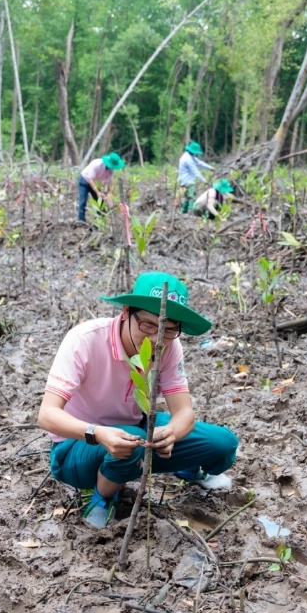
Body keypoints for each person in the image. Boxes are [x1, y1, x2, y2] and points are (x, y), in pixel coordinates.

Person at [38, 271, 240, 529]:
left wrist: (171, 434)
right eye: (148, 325)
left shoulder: (169, 346)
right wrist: (98, 433)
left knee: (223, 443)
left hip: (135, 428)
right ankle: (101, 498)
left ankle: (187, 467)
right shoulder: (84, 340)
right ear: (125, 312)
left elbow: (184, 413)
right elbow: (47, 415)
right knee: (131, 441)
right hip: (77, 446)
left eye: (168, 329)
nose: (156, 339)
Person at [78, 152, 125, 223]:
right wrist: (97, 192)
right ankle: (81, 221)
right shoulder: (96, 165)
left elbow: (107, 183)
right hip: (85, 180)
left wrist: (106, 194)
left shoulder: (111, 171)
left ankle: (102, 221)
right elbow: (90, 179)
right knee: (83, 202)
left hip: (94, 182)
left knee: (100, 202)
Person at [177, 141, 214, 213]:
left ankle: (183, 212)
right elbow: (195, 171)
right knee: (192, 196)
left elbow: (199, 163)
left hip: (185, 180)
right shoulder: (187, 159)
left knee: (187, 197)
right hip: (187, 181)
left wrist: (210, 168)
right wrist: (204, 180)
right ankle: (190, 212)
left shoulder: (190, 156)